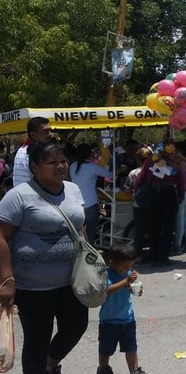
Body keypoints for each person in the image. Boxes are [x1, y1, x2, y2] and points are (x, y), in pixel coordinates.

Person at [0, 141, 88, 374]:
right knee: (37, 340)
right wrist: (7, 279)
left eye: (63, 161)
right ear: (34, 166)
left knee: (76, 326)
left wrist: (90, 257)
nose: (60, 166)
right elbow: (1, 237)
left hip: (73, 281)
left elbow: (80, 226)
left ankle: (50, 364)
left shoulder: (73, 189)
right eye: (52, 162)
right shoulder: (18, 196)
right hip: (33, 287)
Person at [135, 141, 186, 265]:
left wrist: (137, 191)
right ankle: (163, 257)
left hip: (153, 195)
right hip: (169, 194)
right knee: (168, 227)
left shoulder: (150, 161)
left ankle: (154, 255)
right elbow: (181, 180)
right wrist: (180, 195)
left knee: (154, 227)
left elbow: (141, 179)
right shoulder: (175, 164)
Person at [97, 243, 146, 374]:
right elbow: (107, 290)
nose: (128, 269)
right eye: (125, 267)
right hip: (109, 320)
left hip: (128, 318)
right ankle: (103, 368)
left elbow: (129, 288)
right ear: (111, 263)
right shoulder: (106, 274)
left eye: (131, 266)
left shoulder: (128, 274)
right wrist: (126, 281)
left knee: (131, 347)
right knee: (105, 349)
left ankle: (134, 370)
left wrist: (135, 289)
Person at [68, 142, 112, 243]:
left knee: (78, 232)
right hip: (90, 204)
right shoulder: (92, 167)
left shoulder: (73, 166)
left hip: (75, 203)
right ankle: (90, 252)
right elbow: (109, 175)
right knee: (90, 232)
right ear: (89, 154)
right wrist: (119, 169)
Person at [12, 116, 52, 187]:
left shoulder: (23, 149)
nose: (50, 134)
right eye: (46, 131)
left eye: (50, 130)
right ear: (33, 135)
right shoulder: (31, 153)